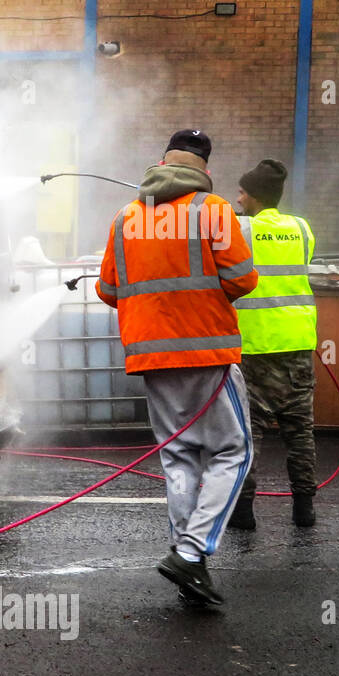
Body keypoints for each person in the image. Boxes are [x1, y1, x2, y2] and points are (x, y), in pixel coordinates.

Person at [96, 130, 259, 606]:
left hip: (151, 356)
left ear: (162, 161)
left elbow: (108, 289)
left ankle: (187, 559)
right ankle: (191, 553)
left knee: (180, 456)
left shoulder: (126, 217)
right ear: (204, 168)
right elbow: (242, 279)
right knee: (233, 451)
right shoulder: (214, 210)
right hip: (207, 353)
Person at [227, 159, 319, 529]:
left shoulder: (240, 228)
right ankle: (304, 509)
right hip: (298, 344)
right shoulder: (301, 228)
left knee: (247, 433)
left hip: (255, 347)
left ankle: (243, 512)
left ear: (254, 196)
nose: (238, 198)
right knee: (300, 433)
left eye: (242, 192)